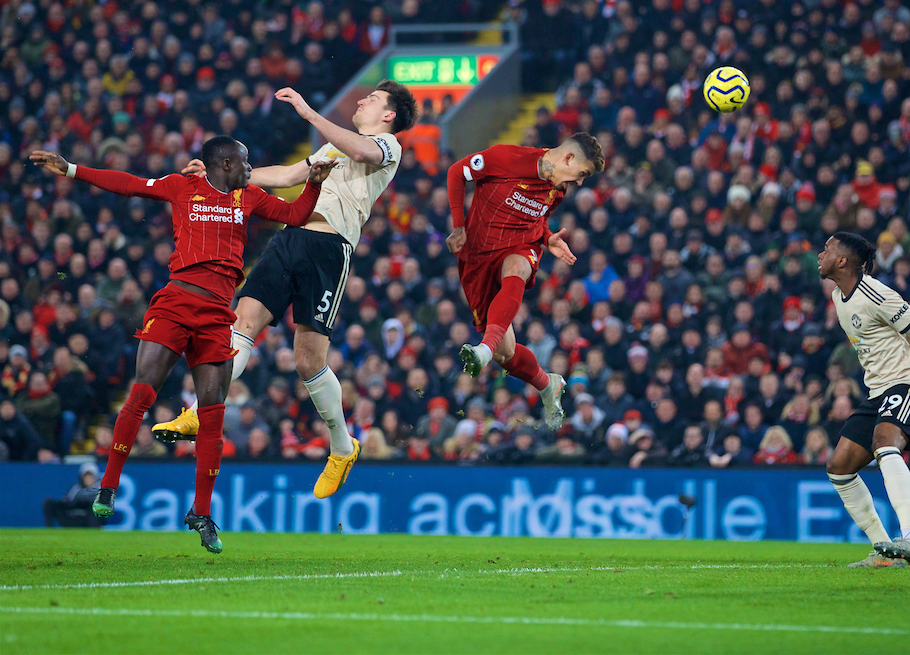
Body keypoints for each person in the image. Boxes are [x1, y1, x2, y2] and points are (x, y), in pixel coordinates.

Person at [31, 139, 332, 553]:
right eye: (245, 161)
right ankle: (108, 486)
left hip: (215, 316)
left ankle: (201, 513)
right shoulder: (182, 185)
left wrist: (313, 184)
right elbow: (130, 184)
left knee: (212, 414)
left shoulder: (251, 196)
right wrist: (71, 169)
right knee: (142, 392)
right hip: (175, 302)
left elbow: (297, 214)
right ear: (225, 163)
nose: (250, 168)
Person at [154, 81, 417, 500]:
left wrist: (311, 114)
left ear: (389, 115)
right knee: (243, 320)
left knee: (307, 359)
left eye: (374, 99)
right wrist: (222, 177)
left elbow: (363, 152)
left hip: (329, 249)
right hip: (290, 237)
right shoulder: (335, 147)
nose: (363, 99)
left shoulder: (387, 145)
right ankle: (199, 412)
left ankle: (342, 448)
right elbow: (289, 175)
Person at [448, 133, 605, 429]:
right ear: (568, 158)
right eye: (582, 174)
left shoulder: (557, 189)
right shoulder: (506, 158)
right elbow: (457, 172)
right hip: (478, 259)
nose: (580, 183)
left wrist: (546, 239)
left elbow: (538, 218)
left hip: (520, 247)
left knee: (518, 268)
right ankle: (548, 385)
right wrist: (458, 226)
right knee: (505, 354)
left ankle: (483, 348)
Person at [819, 232, 910, 568]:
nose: (820, 254)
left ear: (842, 260)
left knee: (886, 445)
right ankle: (885, 550)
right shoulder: (837, 297)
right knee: (839, 468)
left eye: (827, 249)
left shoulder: (874, 293)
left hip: (906, 381)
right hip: (877, 391)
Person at [44, 463, 102, 528]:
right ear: (82, 477)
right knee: (49, 502)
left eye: (91, 476)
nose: (89, 479)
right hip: (73, 518)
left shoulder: (100, 488)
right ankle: (50, 528)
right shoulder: (75, 488)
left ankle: (93, 529)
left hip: (89, 519)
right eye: (86, 476)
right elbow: (67, 501)